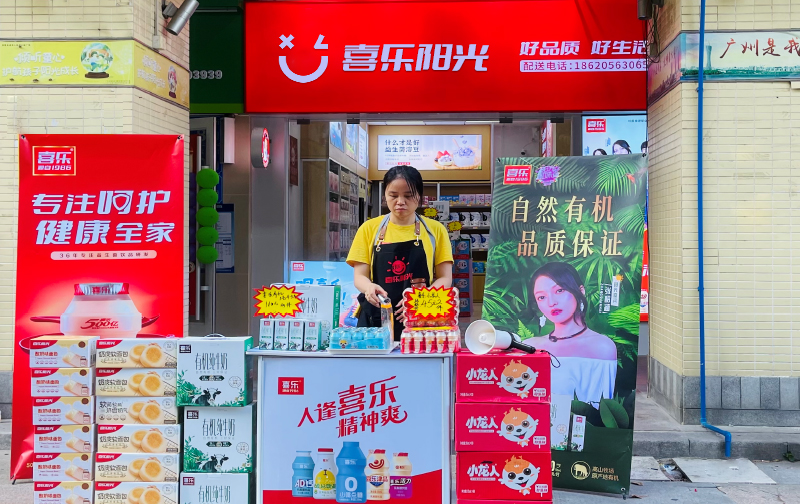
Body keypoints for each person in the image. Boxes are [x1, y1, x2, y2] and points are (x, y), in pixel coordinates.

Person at [347, 166, 453, 340]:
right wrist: (369, 287)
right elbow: (359, 277)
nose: (400, 201)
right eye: (393, 195)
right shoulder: (369, 229)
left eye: (408, 195)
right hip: (376, 317)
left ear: (419, 196)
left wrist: (420, 299)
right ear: (385, 195)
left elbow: (445, 278)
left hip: (421, 316)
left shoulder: (435, 230)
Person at [528, 262, 617, 407]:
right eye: (541, 297)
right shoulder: (530, 346)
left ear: (580, 291)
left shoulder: (602, 347)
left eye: (559, 290)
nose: (551, 302)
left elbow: (600, 409)